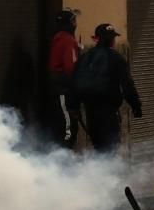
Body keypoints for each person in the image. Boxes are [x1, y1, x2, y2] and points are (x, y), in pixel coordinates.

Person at [71, 23, 141, 153]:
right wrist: (136, 105)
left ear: (97, 38)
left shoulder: (85, 57)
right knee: (110, 148)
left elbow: (74, 82)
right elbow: (127, 85)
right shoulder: (116, 58)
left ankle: (100, 171)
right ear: (112, 40)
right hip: (108, 112)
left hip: (90, 111)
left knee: (99, 147)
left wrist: (74, 107)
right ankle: (107, 172)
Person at [48, 10, 80, 148]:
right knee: (68, 126)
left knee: (62, 121)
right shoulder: (68, 40)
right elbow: (70, 67)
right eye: (74, 20)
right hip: (64, 88)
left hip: (58, 86)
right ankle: (65, 157)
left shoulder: (57, 37)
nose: (76, 24)